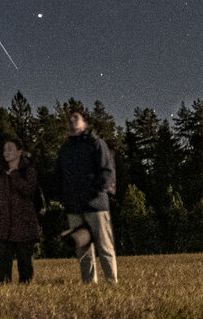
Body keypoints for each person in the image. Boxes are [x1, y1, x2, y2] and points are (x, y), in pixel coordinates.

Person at [57, 110, 118, 283]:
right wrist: (65, 197)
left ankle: (112, 283)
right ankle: (89, 285)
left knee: (104, 246)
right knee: (83, 249)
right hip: (74, 207)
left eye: (76, 118)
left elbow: (107, 170)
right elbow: (59, 176)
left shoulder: (95, 143)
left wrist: (98, 191)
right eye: (69, 120)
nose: (72, 121)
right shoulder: (65, 150)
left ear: (84, 123)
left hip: (96, 205)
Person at [0, 138, 41, 284]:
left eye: (10, 149)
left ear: (19, 151)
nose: (6, 152)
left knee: (25, 264)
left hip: (24, 225)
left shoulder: (28, 170)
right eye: (4, 149)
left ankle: (25, 296)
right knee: (3, 265)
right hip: (2, 226)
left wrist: (15, 174)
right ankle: (3, 297)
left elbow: (29, 191)